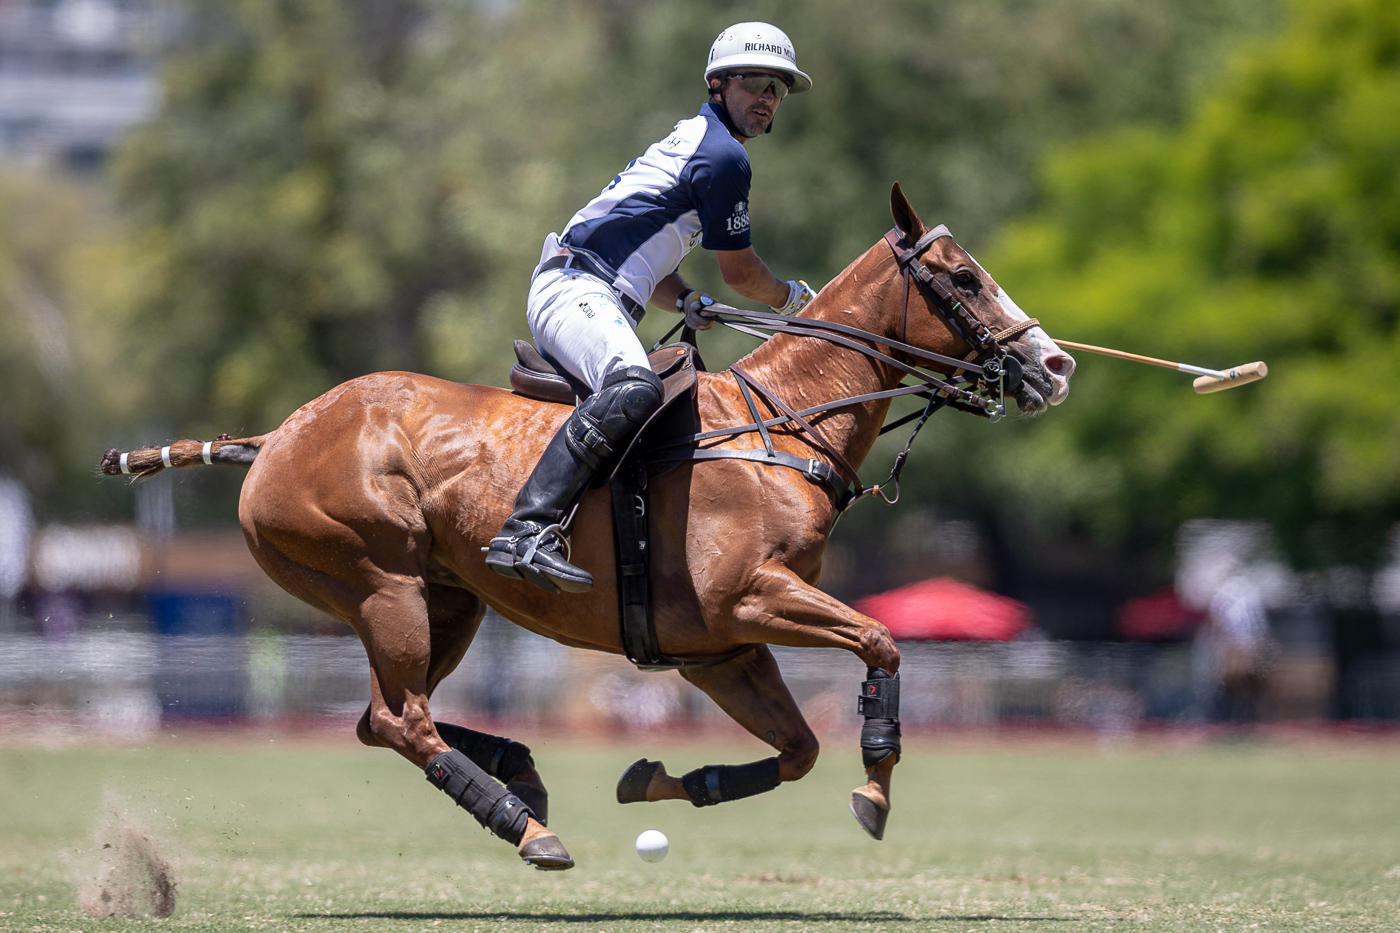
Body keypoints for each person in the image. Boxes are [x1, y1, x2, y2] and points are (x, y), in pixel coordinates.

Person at [486, 22, 818, 594]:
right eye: (757, 82)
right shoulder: (722, 158)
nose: (768, 98)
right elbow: (741, 273)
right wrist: (795, 303)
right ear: (719, 84)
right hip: (575, 289)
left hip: (588, 286)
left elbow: (645, 259)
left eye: (779, 88)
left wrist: (686, 299)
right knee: (636, 385)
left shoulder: (700, 138)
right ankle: (526, 530)